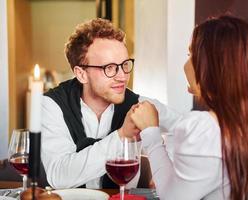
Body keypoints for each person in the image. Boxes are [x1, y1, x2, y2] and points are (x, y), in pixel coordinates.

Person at [130, 15, 248, 200]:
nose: (186, 64)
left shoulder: (204, 129)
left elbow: (172, 197)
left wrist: (151, 134)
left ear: (208, 65)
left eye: (190, 55)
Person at [41, 18, 180, 189]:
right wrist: (122, 135)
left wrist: (167, 171)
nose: (122, 76)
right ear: (81, 74)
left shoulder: (139, 105)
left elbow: (192, 131)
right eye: (110, 67)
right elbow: (59, 176)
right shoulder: (52, 105)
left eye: (125, 64)